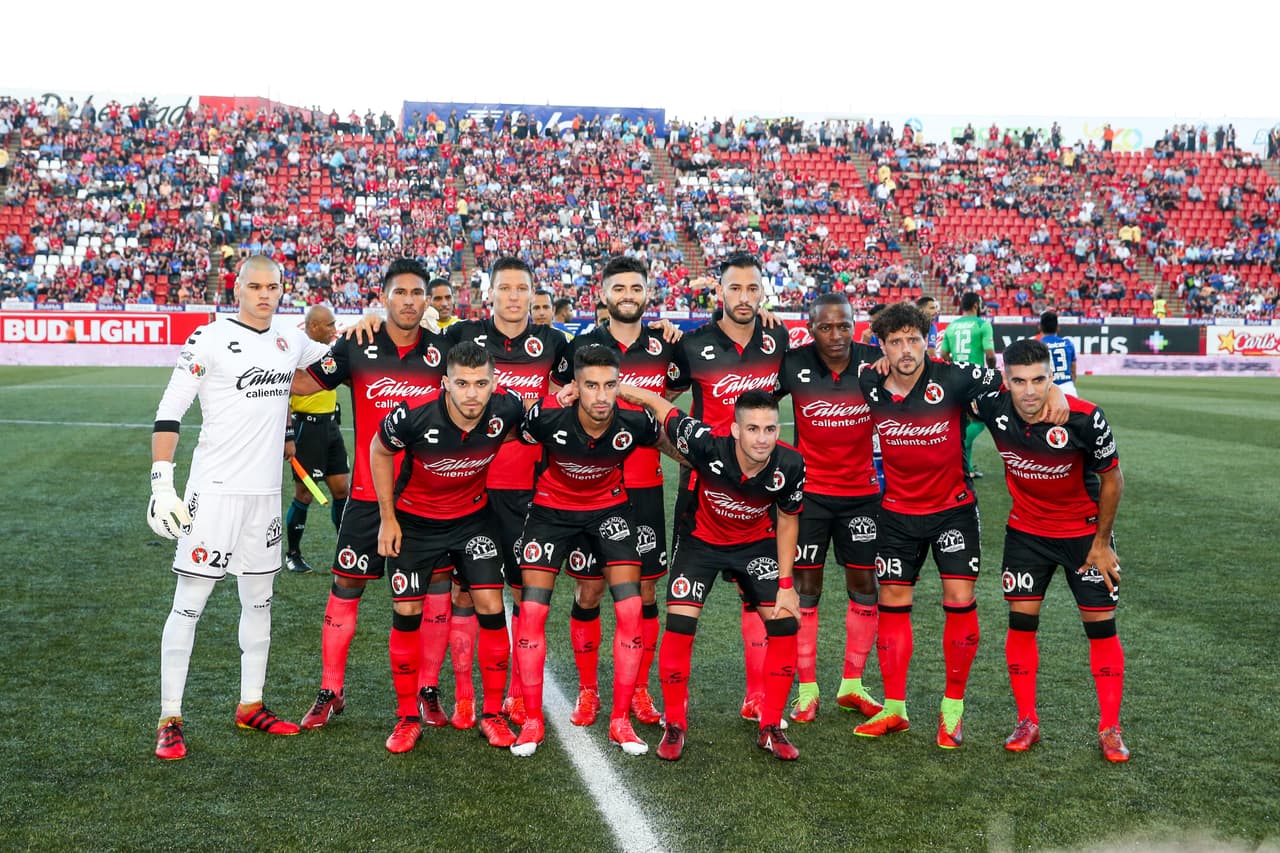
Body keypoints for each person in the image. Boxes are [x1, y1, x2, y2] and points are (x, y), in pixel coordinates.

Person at [854, 301, 1065, 748]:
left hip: (953, 511)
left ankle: (952, 713)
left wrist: (1056, 392)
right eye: (896, 342)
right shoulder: (868, 381)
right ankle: (895, 709)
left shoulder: (955, 376)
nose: (907, 349)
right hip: (895, 514)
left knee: (959, 599)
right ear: (883, 346)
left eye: (914, 339)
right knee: (892, 603)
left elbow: (1012, 381)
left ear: (928, 339)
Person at [149, 255, 331, 760]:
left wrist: (377, 328)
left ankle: (251, 704)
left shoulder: (291, 340)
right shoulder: (207, 339)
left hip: (263, 498)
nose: (265, 295)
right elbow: (170, 411)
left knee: (260, 601)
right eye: (255, 286)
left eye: (273, 287)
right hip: (214, 493)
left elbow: (334, 362)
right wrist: (163, 483)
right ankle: (170, 716)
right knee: (190, 604)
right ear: (237, 289)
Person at [294, 259, 449, 731]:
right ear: (384, 298)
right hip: (365, 496)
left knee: (432, 594)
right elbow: (304, 383)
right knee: (346, 588)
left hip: (426, 497)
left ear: (427, 300)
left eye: (416, 293)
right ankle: (330, 690)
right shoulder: (357, 345)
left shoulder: (445, 351)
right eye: (399, 292)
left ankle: (427, 690)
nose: (408, 300)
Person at [620, 386, 805, 761]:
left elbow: (787, 520)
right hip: (700, 543)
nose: (762, 438)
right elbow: (663, 408)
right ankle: (675, 724)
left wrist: (786, 586)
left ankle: (770, 726)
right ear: (736, 430)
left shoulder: (790, 464)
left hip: (755, 545)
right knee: (680, 627)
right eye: (752, 428)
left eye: (770, 429)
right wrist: (623, 389)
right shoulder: (706, 445)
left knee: (785, 624)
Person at [369, 342, 531, 751]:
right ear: (445, 383)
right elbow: (378, 450)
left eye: (480, 383)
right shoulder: (412, 414)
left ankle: (491, 713)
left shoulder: (506, 410)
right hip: (416, 524)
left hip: (473, 521)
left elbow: (533, 422)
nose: (472, 393)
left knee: (492, 609)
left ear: (494, 383)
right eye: (462, 383)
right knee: (407, 612)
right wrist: (388, 518)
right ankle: (408, 717)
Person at [972, 339, 1128, 762]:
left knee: (1100, 628)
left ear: (1052, 377)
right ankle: (1027, 721)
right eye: (1019, 381)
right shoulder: (991, 406)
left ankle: (1110, 729)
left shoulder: (1083, 418)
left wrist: (1100, 543)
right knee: (1021, 625)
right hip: (1027, 534)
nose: (1029, 391)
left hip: (1084, 535)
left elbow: (1113, 481)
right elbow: (942, 380)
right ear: (1005, 381)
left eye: (1040, 380)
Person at [549, 256, 684, 728]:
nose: (628, 295)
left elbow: (676, 406)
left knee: (646, 591)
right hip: (588, 487)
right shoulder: (581, 346)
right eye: (619, 288)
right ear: (602, 293)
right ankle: (589, 691)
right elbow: (556, 401)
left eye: (636, 288)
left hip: (645, 487)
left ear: (647, 293)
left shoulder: (667, 346)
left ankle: (641, 689)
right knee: (589, 589)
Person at [509, 345, 660, 757]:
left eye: (609, 386)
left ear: (620, 386)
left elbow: (676, 440)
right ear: (574, 387)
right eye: (590, 386)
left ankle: (620, 721)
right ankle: (534, 721)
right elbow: (501, 425)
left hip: (609, 509)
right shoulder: (547, 418)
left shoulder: (635, 422)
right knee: (533, 611)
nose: (600, 396)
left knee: (631, 611)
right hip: (550, 512)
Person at [445, 258, 571, 728]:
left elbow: (601, 359)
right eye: (505, 288)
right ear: (489, 294)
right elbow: (411, 343)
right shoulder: (461, 335)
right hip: (469, 487)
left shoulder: (554, 342)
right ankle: (463, 696)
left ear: (534, 294)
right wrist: (372, 320)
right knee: (465, 593)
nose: (514, 296)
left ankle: (517, 691)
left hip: (527, 491)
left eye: (523, 288)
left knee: (523, 591)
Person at [669, 253, 788, 724]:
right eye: (734, 288)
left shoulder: (777, 339)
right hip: (701, 487)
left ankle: (757, 695)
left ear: (762, 293)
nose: (743, 298)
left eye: (752, 289)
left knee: (756, 597)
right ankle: (671, 703)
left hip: (760, 490)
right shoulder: (693, 343)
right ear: (718, 292)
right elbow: (659, 392)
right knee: (683, 601)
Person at [773, 294, 883, 723]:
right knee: (806, 591)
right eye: (825, 327)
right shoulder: (792, 364)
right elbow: (749, 397)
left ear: (856, 325)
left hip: (861, 495)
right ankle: (807, 690)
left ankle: (852, 685)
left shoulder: (875, 362)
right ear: (811, 327)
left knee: (864, 585)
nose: (836, 335)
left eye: (844, 326)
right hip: (810, 496)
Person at [284, 304, 350, 574]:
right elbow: (282, 398)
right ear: (313, 327)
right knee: (304, 494)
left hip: (331, 428)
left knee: (342, 490)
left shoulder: (331, 354)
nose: (334, 330)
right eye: (329, 325)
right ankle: (293, 554)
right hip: (306, 430)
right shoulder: (297, 355)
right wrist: (288, 435)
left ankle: (345, 550)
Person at [939, 292, 997, 479]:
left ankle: (968, 468)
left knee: (965, 420)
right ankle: (956, 449)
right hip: (976, 378)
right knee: (982, 420)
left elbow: (944, 356)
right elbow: (990, 355)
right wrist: (991, 374)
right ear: (975, 304)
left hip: (956, 377)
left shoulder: (951, 326)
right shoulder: (982, 324)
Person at [1036, 310, 1078, 396]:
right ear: (1057, 328)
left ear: (1039, 327)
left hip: (1047, 388)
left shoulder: (1036, 346)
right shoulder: (1068, 343)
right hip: (1067, 388)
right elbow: (1073, 370)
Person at [915, 295, 940, 360]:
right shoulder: (931, 327)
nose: (936, 312)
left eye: (936, 308)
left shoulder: (908, 324)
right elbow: (931, 354)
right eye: (932, 308)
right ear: (921, 310)